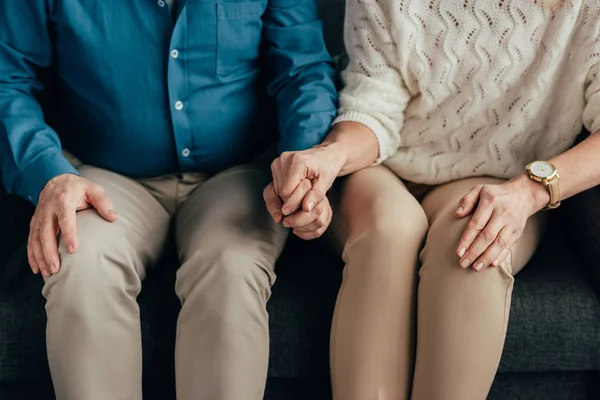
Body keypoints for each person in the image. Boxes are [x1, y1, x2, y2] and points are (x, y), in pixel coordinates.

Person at [0, 0, 337, 399]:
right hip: (102, 176)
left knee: (232, 268)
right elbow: (9, 79)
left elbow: (304, 72)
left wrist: (303, 174)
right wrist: (48, 174)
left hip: (238, 175)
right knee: (81, 263)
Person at [265, 0, 600, 398]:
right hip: (385, 167)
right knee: (389, 234)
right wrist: (330, 154)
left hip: (500, 177)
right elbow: (374, 106)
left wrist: (529, 191)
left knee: (474, 250)